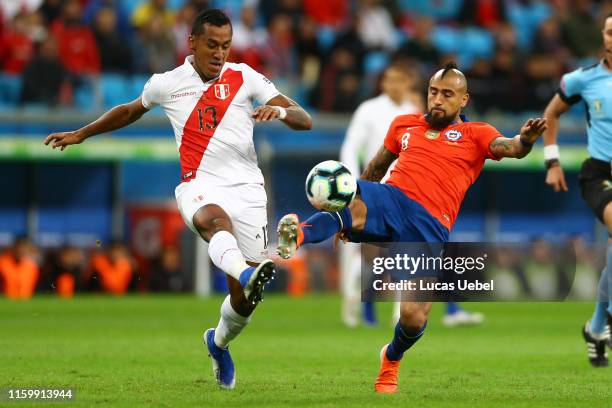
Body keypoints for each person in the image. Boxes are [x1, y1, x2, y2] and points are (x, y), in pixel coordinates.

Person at [44, 9, 312, 389]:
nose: (219, 54)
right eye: (212, 45)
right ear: (192, 42)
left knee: (246, 303)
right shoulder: (167, 83)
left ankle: (218, 342)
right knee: (214, 223)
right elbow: (128, 111)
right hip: (198, 185)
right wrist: (83, 133)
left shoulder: (246, 77)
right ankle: (248, 272)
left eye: (226, 46)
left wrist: (281, 110)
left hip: (248, 191)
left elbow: (305, 118)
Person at [277, 62, 547, 393]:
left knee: (413, 317)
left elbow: (511, 148)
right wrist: (351, 212)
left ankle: (391, 358)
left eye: (447, 94)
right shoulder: (404, 125)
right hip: (392, 198)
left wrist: (526, 140)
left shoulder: (477, 133)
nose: (438, 99)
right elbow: (376, 167)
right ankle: (299, 233)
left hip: (429, 226)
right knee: (351, 197)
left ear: (463, 100)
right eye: (433, 92)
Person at [542, 13, 612, 368]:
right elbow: (550, 115)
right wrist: (552, 162)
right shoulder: (583, 79)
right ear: (603, 36)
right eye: (610, 32)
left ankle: (598, 326)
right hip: (599, 173)